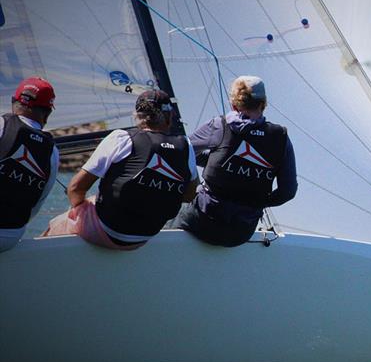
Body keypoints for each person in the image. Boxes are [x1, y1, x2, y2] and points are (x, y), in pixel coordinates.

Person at [46, 89, 198, 250]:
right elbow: (189, 195)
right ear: (169, 117)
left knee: (56, 224)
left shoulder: (122, 138)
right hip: (146, 236)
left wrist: (79, 215)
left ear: (138, 116)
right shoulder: (186, 146)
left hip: (109, 232)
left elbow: (75, 188)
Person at [173, 75, 297, 247]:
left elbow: (181, 151)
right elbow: (288, 192)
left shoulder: (219, 125)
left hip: (200, 222)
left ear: (234, 104)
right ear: (263, 104)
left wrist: (215, 163)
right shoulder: (281, 138)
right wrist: (257, 201)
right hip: (240, 232)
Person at [0, 77, 59, 252]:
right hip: (11, 235)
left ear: (14, 101)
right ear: (47, 113)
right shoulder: (52, 152)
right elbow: (36, 205)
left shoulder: (2, 124)